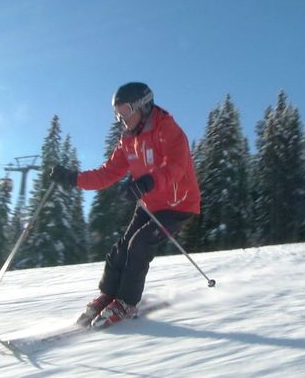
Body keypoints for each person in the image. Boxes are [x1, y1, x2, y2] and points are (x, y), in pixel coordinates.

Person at [50, 82, 201, 329]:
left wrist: (148, 181)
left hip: (178, 205)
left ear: (143, 106)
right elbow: (106, 174)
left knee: (139, 244)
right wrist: (73, 178)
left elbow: (175, 167)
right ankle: (108, 295)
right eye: (117, 112)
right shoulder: (128, 140)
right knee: (121, 248)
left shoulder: (168, 130)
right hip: (150, 203)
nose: (121, 118)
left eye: (126, 110)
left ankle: (127, 302)